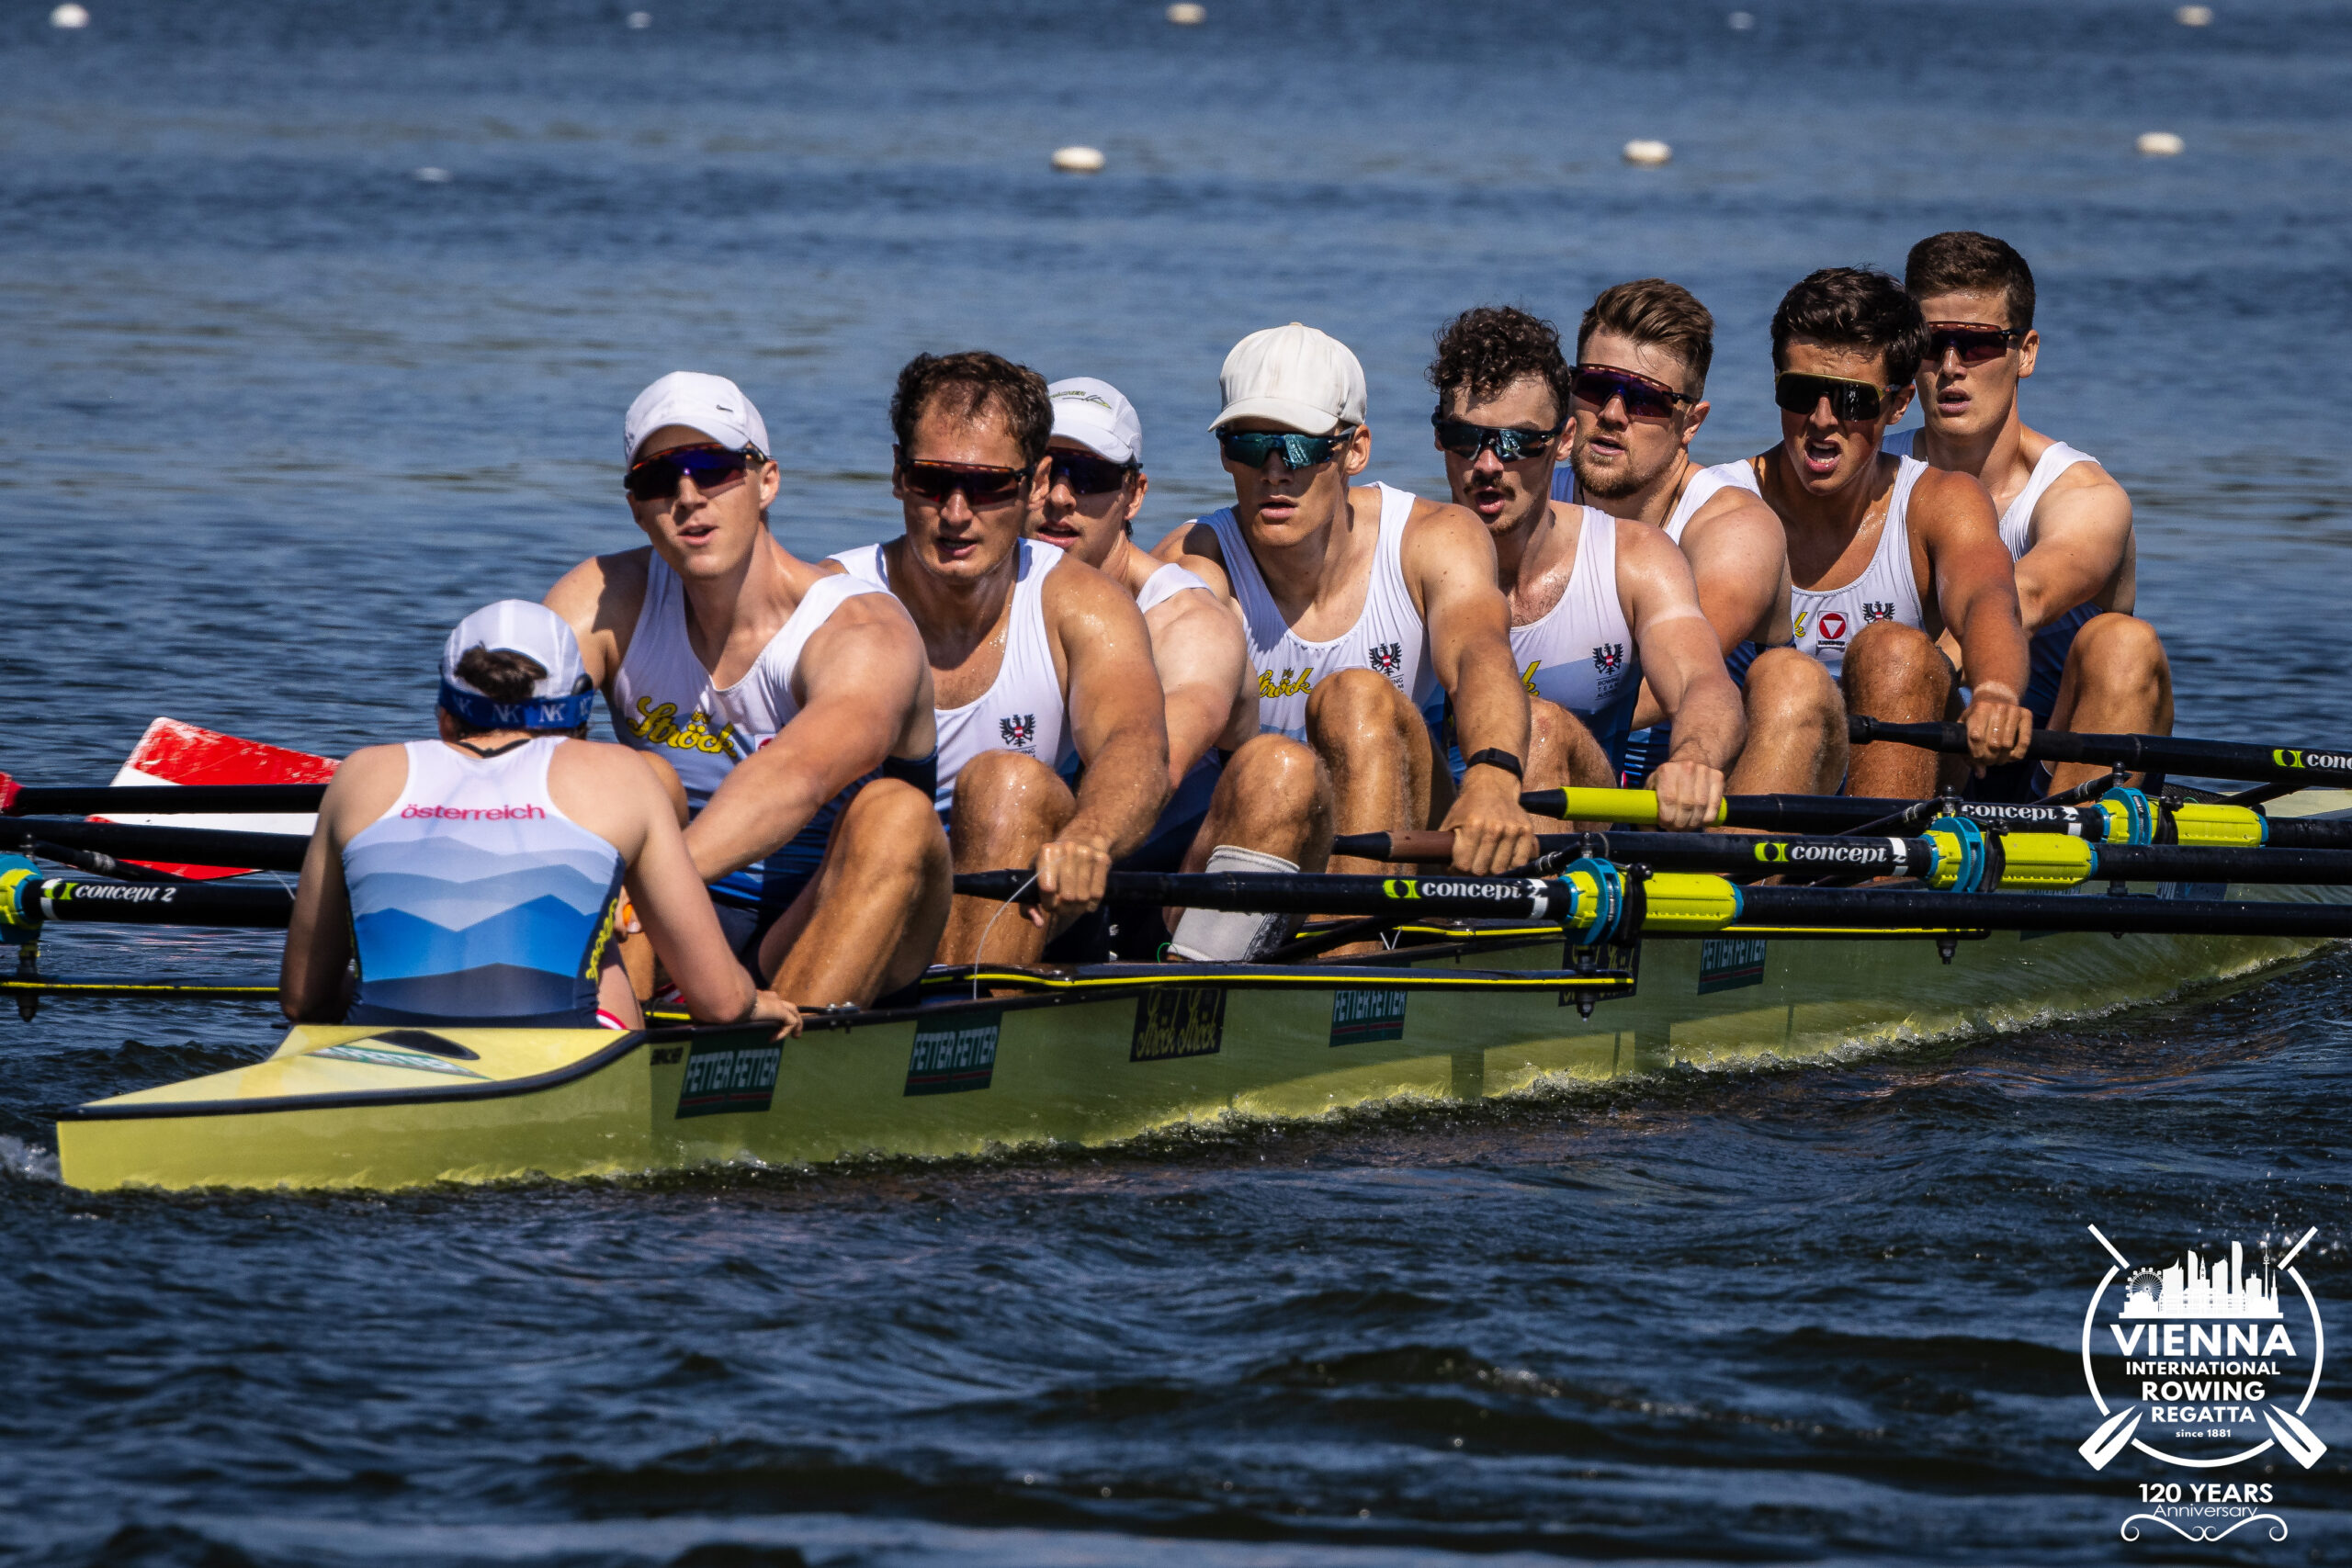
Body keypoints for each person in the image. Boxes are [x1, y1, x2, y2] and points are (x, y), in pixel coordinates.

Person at [544, 372, 948, 1009]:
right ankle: (616, 1030)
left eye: (713, 468)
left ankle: (789, 1047)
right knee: (639, 775)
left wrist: (647, 881)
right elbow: (503, 737)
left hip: (840, 910)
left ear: (767, 482)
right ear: (636, 507)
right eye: (658, 477)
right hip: (683, 923)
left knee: (895, 814)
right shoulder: (604, 599)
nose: (688, 496)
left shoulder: (861, 628)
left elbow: (798, 775)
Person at [281, 600, 800, 1036]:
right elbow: (719, 1004)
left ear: (444, 717)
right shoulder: (623, 775)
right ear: (579, 716)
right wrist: (755, 1004)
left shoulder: (362, 775)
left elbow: (304, 1000)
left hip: (380, 1044)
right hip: (566, 1058)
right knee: (593, 931)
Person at [1154, 321, 1544, 876]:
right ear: (1224, 453)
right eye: (1249, 445)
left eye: (1300, 446)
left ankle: (1346, 930)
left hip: (1404, 821)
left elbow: (1479, 653)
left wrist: (1494, 776)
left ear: (1355, 450)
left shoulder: (1433, 540)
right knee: (1278, 767)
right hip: (1249, 834)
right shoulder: (1193, 565)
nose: (1273, 472)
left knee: (1356, 698)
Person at [829, 352, 1170, 966]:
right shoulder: (833, 599)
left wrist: (1091, 835)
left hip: (1032, 899)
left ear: (1034, 486)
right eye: (932, 480)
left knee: (1007, 785)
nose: (956, 514)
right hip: (868, 897)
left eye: (988, 486)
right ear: (899, 474)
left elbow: (1136, 746)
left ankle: (966, 1008)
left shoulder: (1084, 605)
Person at [1023, 377, 1330, 958]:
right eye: (1044, 473)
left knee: (1282, 766)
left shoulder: (1188, 619)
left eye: (1088, 477)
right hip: (1039, 879)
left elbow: (1153, 763)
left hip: (1163, 908)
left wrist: (1089, 836)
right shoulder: (961, 596)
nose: (1060, 497)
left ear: (1133, 494)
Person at [1424, 306, 1743, 828]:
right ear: (1439, 436)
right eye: (1466, 437)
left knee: (1540, 726)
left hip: (1584, 828)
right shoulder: (1401, 551)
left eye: (1517, 442)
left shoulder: (1633, 559)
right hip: (1439, 823)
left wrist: (1695, 757)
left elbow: (1703, 683)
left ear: (1565, 440)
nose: (1487, 465)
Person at [1892, 231, 2173, 795]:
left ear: (2025, 353)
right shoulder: (1871, 472)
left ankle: (2072, 847)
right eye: (1931, 343)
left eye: (1976, 345)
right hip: (1917, 754)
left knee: (2125, 643)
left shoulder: (2086, 495)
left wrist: (1913, 675)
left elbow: (2027, 596)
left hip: (2052, 766)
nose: (1950, 367)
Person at [1747, 268, 2033, 799]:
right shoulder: (1724, 500)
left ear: (1898, 405)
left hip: (1907, 754)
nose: (1822, 420)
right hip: (1773, 753)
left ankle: (1880, 853)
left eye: (1853, 400)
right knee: (1787, 679)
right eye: (1802, 392)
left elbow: (1987, 599)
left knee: (1892, 650)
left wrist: (1994, 690)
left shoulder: (1940, 502)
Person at [1555, 280, 1847, 795]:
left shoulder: (1736, 528)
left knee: (1792, 678)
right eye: (1596, 386)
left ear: (1691, 422)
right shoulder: (1527, 497)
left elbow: (1673, 681)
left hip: (1708, 786)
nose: (1613, 415)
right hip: (1577, 766)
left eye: (1646, 399)